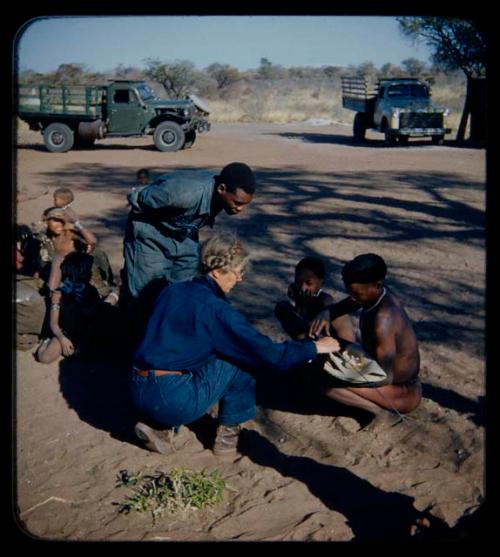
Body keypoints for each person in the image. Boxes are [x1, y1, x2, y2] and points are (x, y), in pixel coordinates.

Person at [129, 231, 341, 457]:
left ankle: (158, 427)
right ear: (219, 271)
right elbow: (269, 354)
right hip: (171, 397)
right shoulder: (216, 310)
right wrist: (316, 347)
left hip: (136, 386)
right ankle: (227, 438)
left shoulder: (173, 290)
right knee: (243, 359)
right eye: (239, 272)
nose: (240, 279)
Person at [309, 253, 421, 426]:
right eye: (350, 291)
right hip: (378, 370)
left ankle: (377, 412)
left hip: (401, 392)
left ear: (376, 285)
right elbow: (343, 306)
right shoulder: (374, 294)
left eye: (356, 293)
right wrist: (327, 312)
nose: (353, 297)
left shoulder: (383, 320)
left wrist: (341, 370)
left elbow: (385, 377)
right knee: (324, 355)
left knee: (321, 379)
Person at [35, 251, 103, 363]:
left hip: (84, 332)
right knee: (44, 357)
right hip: (64, 332)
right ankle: (46, 340)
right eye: (88, 270)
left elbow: (93, 321)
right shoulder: (58, 295)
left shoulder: (91, 292)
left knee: (86, 357)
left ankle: (113, 296)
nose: (91, 273)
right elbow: (53, 323)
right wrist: (62, 339)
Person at [275, 256, 355, 342]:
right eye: (298, 282)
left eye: (309, 283)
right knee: (282, 307)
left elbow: (328, 303)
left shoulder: (325, 300)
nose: (303, 288)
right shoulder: (299, 293)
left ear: (322, 283)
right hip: (310, 341)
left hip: (335, 346)